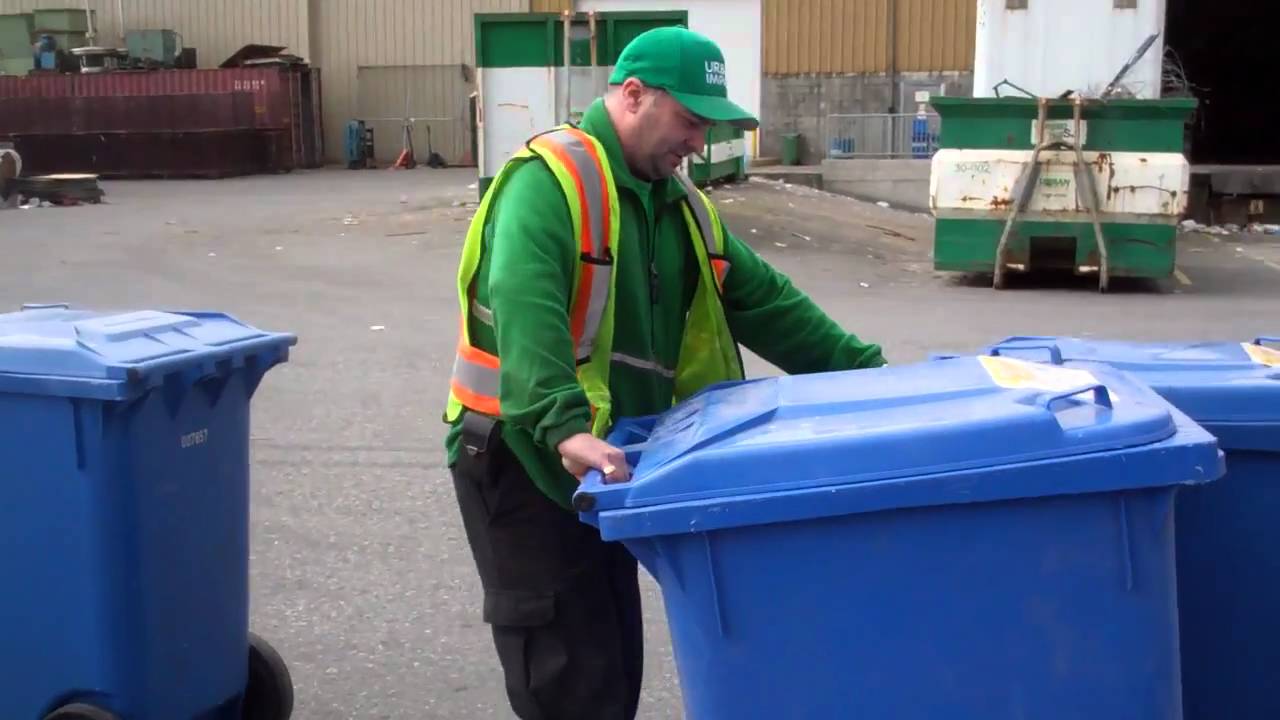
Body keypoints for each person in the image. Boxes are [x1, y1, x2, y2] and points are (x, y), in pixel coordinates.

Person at [442, 25, 886, 720]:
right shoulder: (549, 183)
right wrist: (562, 423)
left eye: (707, 125)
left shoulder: (678, 207)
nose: (698, 142)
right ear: (631, 95)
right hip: (524, 457)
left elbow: (769, 304)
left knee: (613, 664)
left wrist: (876, 376)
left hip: (607, 463)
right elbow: (527, 306)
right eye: (688, 120)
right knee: (565, 675)